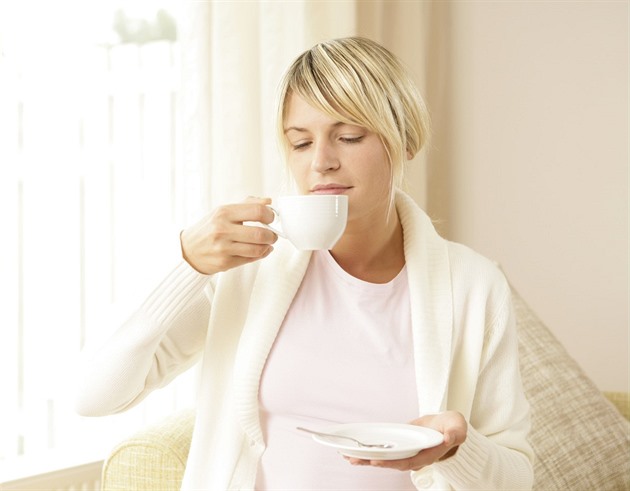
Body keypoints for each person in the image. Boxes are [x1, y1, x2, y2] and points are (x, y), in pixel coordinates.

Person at [76, 37, 534, 490]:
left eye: (349, 136)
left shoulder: (474, 286)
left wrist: (458, 449)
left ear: (406, 141)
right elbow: (95, 395)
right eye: (300, 143)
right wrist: (188, 264)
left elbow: (517, 478)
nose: (321, 162)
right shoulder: (248, 268)